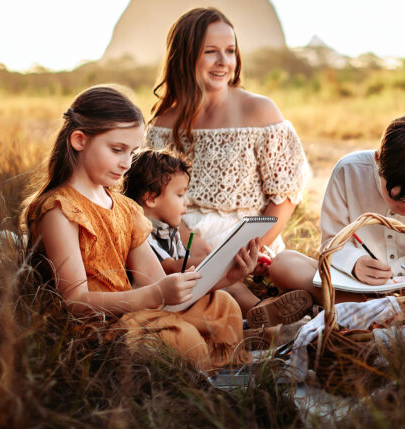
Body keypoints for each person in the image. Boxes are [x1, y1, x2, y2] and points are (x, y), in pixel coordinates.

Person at [21, 86, 250, 371]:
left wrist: (225, 276)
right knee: (179, 337)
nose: (126, 163)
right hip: (99, 328)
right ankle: (207, 373)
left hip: (139, 311)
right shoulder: (59, 210)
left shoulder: (126, 208)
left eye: (132, 152)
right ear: (79, 140)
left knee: (223, 306)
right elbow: (75, 302)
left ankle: (226, 369)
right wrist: (154, 296)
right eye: (117, 150)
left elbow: (156, 282)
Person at [145, 7, 310, 256]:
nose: (224, 61)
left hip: (247, 242)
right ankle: (238, 294)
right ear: (185, 57)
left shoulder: (260, 111)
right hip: (181, 241)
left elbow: (284, 196)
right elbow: (149, 201)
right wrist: (185, 240)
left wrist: (251, 250)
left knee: (290, 267)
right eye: (211, 52)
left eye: (230, 51)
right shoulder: (161, 125)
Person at [269, 115, 405, 302]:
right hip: (356, 287)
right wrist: (354, 263)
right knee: (284, 263)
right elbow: (331, 242)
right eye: (397, 198)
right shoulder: (348, 172)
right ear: (378, 161)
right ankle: (379, 310)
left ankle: (348, 308)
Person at [121, 148, 312, 327]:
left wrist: (238, 268)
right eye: (180, 195)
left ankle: (263, 315)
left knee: (232, 286)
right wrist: (227, 260)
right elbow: (170, 267)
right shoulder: (141, 233)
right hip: (159, 307)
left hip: (179, 297)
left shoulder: (168, 231)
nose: (186, 202)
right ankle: (264, 322)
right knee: (224, 294)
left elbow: (180, 264)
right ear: (151, 198)